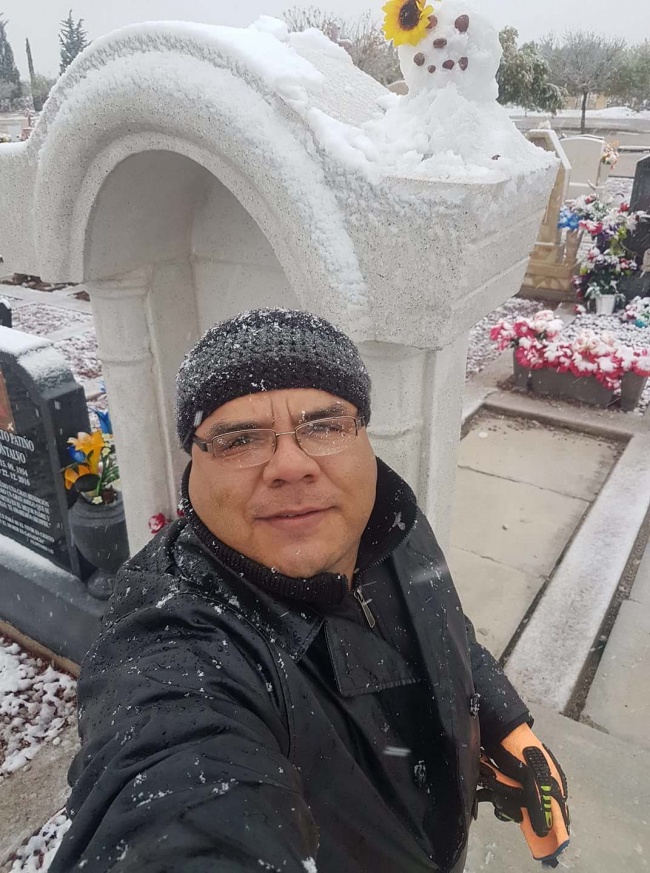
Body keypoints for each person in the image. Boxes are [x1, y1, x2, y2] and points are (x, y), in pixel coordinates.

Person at [52, 309, 569, 873]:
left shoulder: (386, 521)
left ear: (363, 436)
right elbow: (172, 790)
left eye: (323, 426)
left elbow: (442, 625)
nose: (291, 466)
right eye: (239, 439)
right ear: (192, 465)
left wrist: (504, 724)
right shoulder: (174, 646)